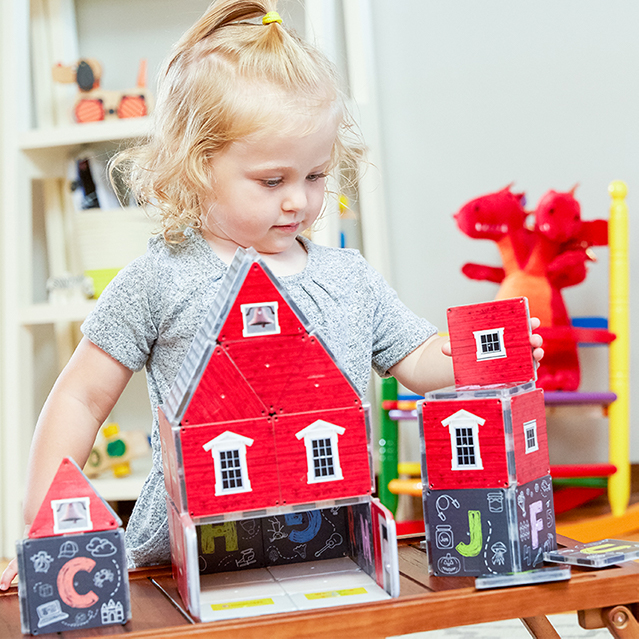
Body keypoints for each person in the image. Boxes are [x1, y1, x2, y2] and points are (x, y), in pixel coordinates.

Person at [0, 0, 543, 589]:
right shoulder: (159, 278)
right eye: (271, 181)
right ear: (196, 165)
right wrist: (41, 526)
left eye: (315, 176)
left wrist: (483, 355)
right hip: (187, 553)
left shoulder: (348, 277)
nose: (298, 202)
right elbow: (79, 398)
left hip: (332, 535)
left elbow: (415, 359)